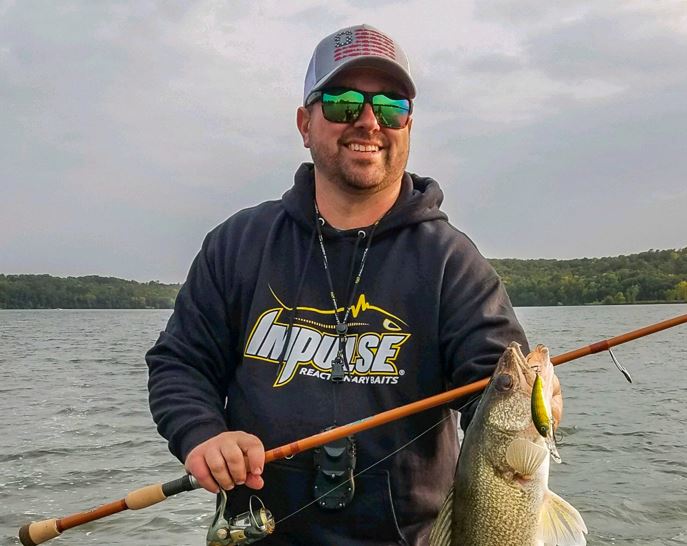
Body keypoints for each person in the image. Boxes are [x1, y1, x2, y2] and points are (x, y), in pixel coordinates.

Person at [147, 23, 549, 545]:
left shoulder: (451, 260)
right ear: (305, 122)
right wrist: (203, 435)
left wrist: (537, 406)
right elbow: (180, 364)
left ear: (407, 124)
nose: (368, 121)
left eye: (390, 107)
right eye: (341, 102)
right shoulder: (239, 243)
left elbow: (491, 383)